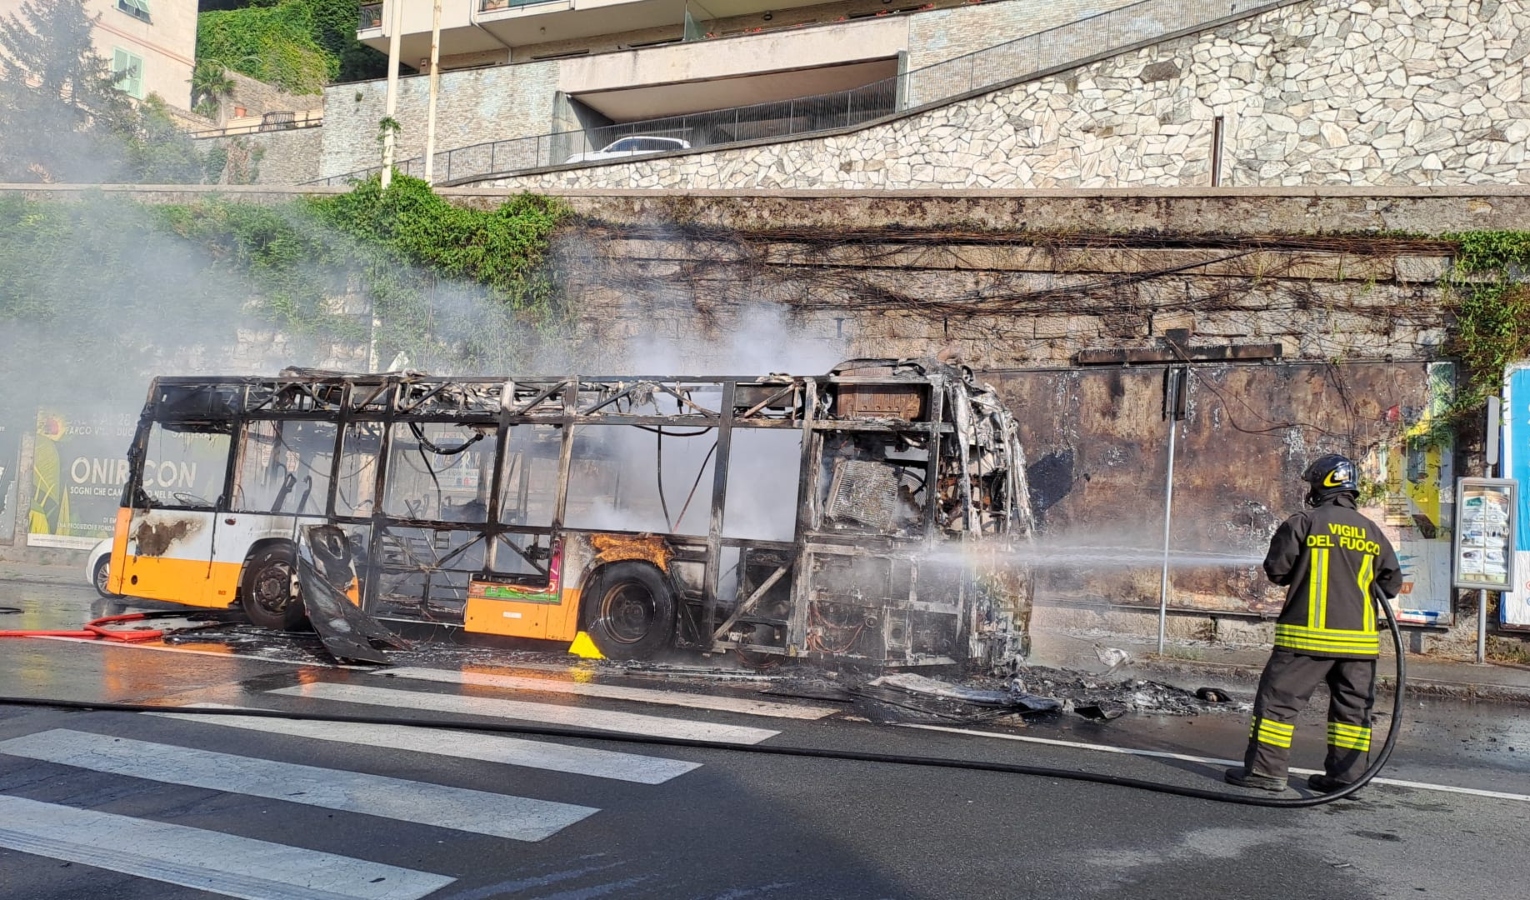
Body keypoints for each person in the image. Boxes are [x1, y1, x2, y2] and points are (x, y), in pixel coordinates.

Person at [1225, 453, 1403, 793]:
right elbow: (1391, 586)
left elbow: (1277, 571)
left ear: (1323, 484)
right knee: (1352, 714)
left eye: (1313, 483)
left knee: (1278, 703)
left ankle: (1265, 772)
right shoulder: (1371, 531)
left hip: (1306, 639)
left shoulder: (1304, 522)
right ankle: (1346, 779)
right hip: (1359, 644)